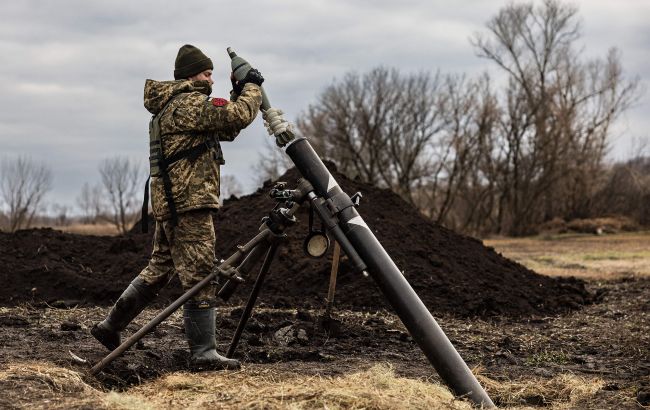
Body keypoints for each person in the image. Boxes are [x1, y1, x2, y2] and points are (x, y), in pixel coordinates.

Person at [91, 44, 263, 370]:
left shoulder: (175, 106)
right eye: (207, 73)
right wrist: (252, 88)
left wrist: (238, 91)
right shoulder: (186, 104)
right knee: (200, 275)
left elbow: (227, 127)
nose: (211, 79)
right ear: (191, 75)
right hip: (188, 204)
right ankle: (203, 353)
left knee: (158, 269)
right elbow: (236, 114)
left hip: (174, 202)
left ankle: (109, 327)